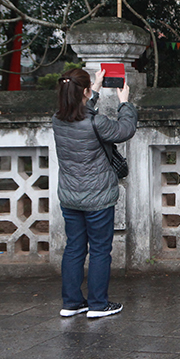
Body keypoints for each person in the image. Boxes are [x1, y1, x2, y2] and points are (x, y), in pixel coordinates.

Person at [53, 67, 137, 319]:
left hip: (70, 197)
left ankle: (71, 303)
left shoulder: (57, 119)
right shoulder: (95, 122)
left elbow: (80, 109)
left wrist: (96, 89)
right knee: (100, 249)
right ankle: (98, 304)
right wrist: (125, 104)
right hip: (97, 197)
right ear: (84, 92)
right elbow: (124, 130)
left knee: (74, 248)